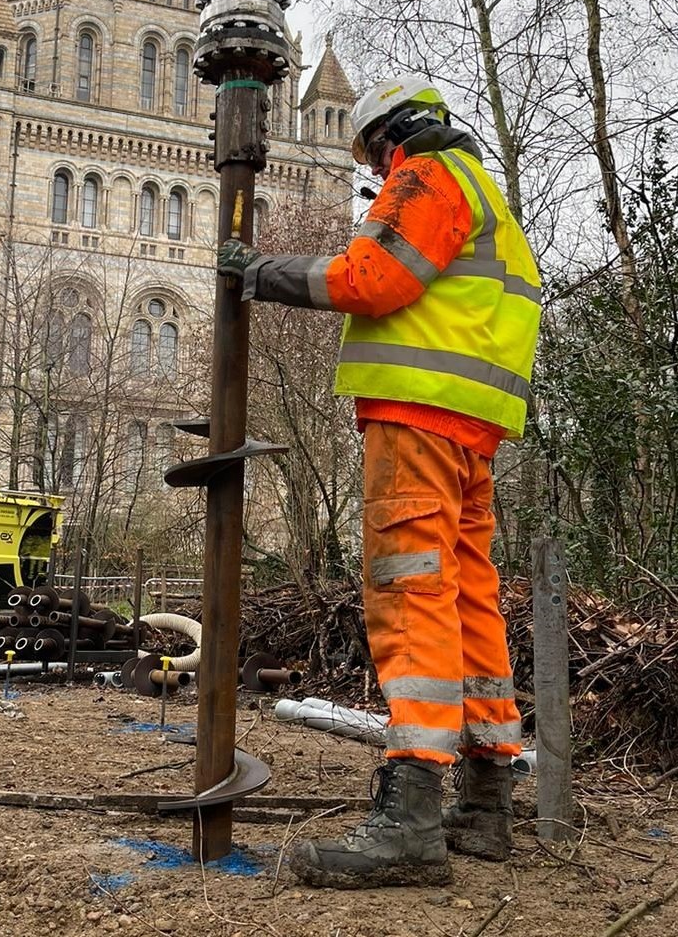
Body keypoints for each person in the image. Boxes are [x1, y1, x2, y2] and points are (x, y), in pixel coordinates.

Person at [217, 76, 541, 889]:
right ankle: (483, 803)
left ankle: (410, 818)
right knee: (465, 594)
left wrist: (263, 271)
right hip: (473, 426)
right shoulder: (487, 197)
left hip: (418, 416)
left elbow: (373, 278)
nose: (376, 170)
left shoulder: (424, 174)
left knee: (410, 591)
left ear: (388, 138)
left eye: (372, 156)